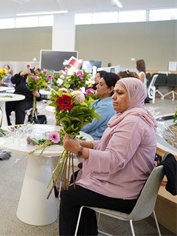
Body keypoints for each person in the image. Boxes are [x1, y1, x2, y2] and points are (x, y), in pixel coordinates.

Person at [59, 77, 157, 235]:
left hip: (125, 192)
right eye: (115, 92)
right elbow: (111, 145)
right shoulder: (130, 115)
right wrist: (84, 144)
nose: (114, 96)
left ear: (134, 96)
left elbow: (113, 160)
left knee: (69, 194)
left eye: (120, 93)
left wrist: (78, 151)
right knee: (75, 178)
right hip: (127, 181)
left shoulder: (132, 123)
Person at [81, 72, 120, 140]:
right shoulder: (99, 101)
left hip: (93, 142)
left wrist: (71, 128)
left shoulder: (107, 106)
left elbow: (88, 125)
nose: (96, 86)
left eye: (101, 84)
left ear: (110, 89)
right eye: (98, 83)